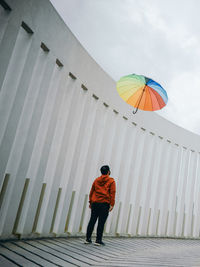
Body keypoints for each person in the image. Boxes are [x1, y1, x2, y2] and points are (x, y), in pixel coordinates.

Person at [84, 165, 116, 246]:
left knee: (92, 220)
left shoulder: (96, 180)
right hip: (104, 204)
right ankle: (98, 240)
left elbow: (92, 191)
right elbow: (112, 193)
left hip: (95, 203)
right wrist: (112, 204)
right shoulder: (111, 181)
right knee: (101, 222)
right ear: (108, 171)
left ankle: (88, 239)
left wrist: (90, 202)